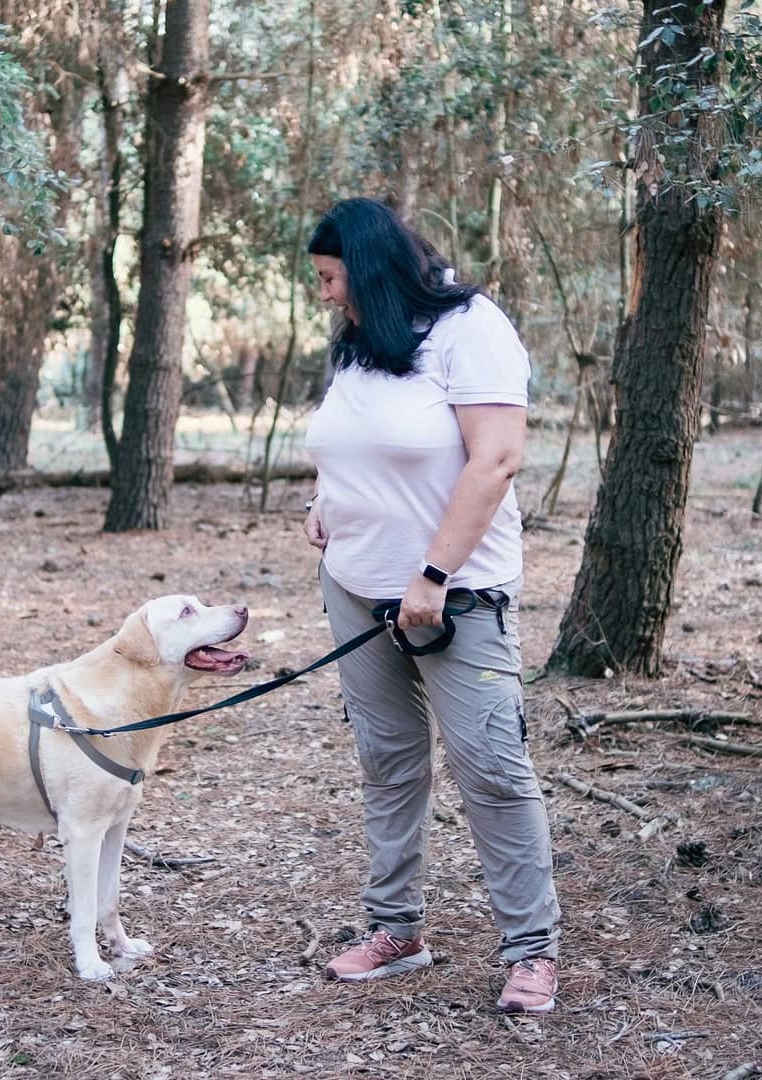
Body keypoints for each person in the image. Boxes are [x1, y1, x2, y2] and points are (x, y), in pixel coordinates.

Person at [302, 197, 561, 1013]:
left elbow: (497, 459)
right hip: (353, 585)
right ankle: (395, 928)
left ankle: (532, 951)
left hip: (456, 594)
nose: (324, 295)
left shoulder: (471, 327)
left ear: (369, 269)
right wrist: (325, 501)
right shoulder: (361, 344)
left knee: (490, 767)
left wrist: (434, 574)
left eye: (331, 278)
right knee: (387, 761)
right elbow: (351, 441)